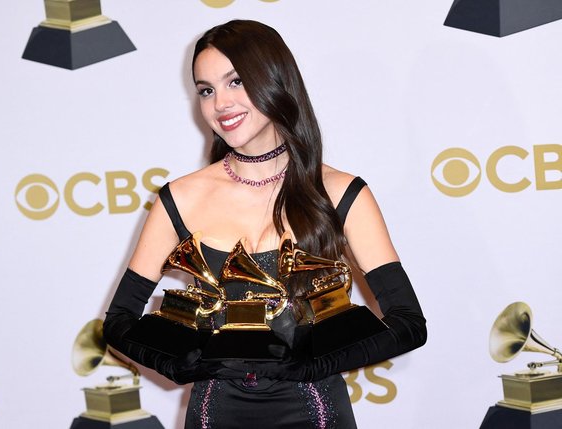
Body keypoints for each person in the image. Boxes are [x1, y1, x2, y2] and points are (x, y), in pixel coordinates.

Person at [103, 19, 427, 429]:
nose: (220, 103)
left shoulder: (342, 193)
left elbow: (407, 323)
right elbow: (119, 322)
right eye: (206, 90)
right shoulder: (180, 198)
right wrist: (180, 364)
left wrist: (311, 365)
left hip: (318, 413)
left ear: (275, 81)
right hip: (213, 413)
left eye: (235, 82)